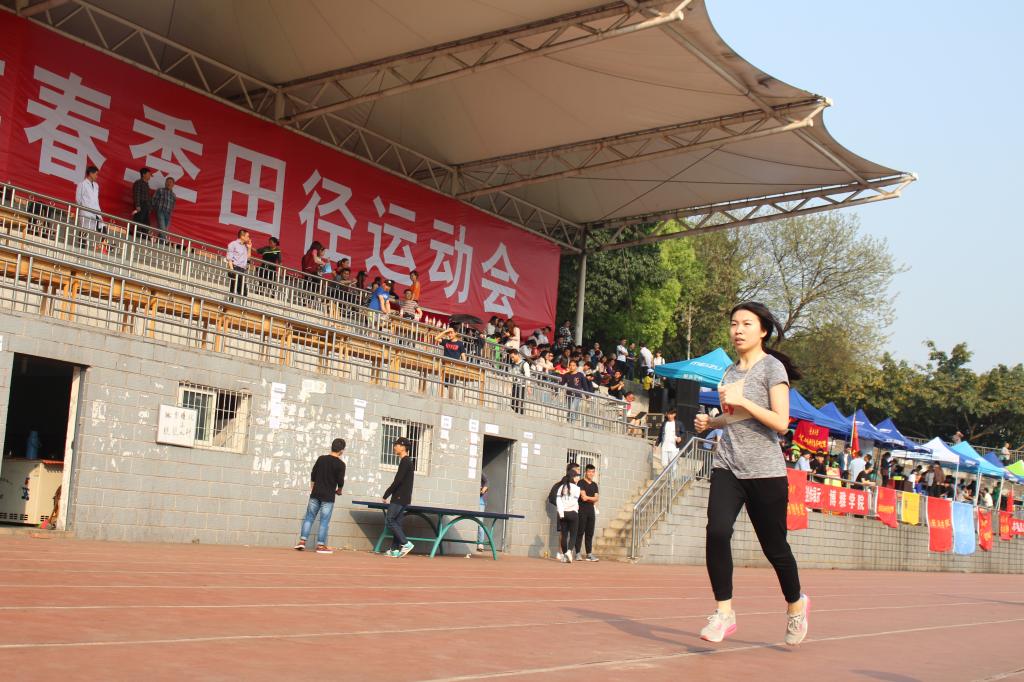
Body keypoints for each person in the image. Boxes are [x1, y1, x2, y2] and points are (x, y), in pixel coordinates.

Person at [694, 301, 808, 646]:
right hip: (728, 464)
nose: (738, 330)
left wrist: (744, 401)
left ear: (763, 331)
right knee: (717, 531)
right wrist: (711, 422)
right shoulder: (729, 373)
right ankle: (724, 612)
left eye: (746, 323)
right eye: (734, 323)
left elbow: (781, 423)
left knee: (775, 548)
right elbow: (735, 418)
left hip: (765, 471)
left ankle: (796, 604)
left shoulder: (772, 368)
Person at [294, 438, 347, 554]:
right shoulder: (341, 464)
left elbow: (313, 473)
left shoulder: (321, 459)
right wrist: (339, 490)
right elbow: (340, 481)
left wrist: (312, 486)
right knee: (324, 521)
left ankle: (302, 542)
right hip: (328, 497)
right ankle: (320, 546)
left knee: (309, 518)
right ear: (342, 450)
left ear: (332, 447)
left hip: (315, 493)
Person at [382, 437, 415, 558]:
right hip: (404, 497)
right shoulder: (407, 461)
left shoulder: (405, 461)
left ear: (403, 447)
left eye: (396, 445)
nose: (394, 447)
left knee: (390, 520)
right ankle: (394, 549)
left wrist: (386, 494)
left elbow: (398, 481)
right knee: (397, 523)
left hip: (399, 497)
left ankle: (406, 543)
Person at [574, 463, 600, 562]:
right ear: (586, 472)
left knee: (590, 533)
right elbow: (583, 498)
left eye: (593, 472)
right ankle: (577, 553)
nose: (591, 474)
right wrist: (592, 498)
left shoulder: (594, 485)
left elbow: (597, 498)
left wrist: (590, 498)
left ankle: (589, 554)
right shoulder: (581, 482)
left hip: (591, 511)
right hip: (582, 510)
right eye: (589, 472)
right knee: (580, 532)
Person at [555, 469, 581, 563]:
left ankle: (565, 554)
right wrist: (573, 508)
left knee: (564, 535)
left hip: (563, 513)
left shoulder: (561, 487)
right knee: (573, 534)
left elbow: (558, 501)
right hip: (573, 513)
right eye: (577, 476)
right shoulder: (577, 488)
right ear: (573, 477)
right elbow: (574, 501)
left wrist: (561, 512)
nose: (578, 478)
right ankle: (569, 551)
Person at [75, 165, 103, 233]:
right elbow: (78, 199)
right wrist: (84, 207)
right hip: (86, 212)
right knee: (84, 232)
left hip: (96, 211)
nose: (97, 176)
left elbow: (96, 199)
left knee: (103, 228)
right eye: (96, 174)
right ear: (90, 173)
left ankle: (104, 240)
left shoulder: (96, 185)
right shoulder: (82, 184)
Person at [225, 229, 251, 300]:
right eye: (247, 236)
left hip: (242, 269)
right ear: (242, 236)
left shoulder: (245, 246)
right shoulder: (233, 244)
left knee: (241, 289)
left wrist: (249, 248)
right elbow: (229, 258)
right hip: (235, 267)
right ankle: (231, 301)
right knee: (235, 286)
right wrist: (231, 269)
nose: (248, 238)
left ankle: (237, 302)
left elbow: (248, 258)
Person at [152, 177, 177, 242]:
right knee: (162, 228)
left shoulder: (173, 195)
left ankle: (160, 242)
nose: (168, 183)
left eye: (170, 182)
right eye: (167, 182)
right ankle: (164, 242)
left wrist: (170, 211)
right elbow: (154, 200)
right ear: (165, 183)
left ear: (173, 184)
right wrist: (156, 209)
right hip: (161, 211)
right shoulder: (160, 190)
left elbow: (173, 205)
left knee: (164, 229)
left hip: (168, 213)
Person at [131, 167, 153, 237]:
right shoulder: (138, 183)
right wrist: (137, 205)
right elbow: (136, 194)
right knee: (139, 220)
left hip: (146, 206)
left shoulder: (146, 184)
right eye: (148, 174)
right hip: (141, 204)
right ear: (143, 174)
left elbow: (148, 197)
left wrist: (149, 208)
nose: (150, 176)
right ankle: (135, 234)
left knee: (146, 222)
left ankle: (144, 236)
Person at [508, 348, 531, 415]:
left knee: (519, 404)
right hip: (515, 386)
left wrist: (528, 387)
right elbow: (510, 375)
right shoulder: (512, 364)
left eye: (513, 357)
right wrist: (509, 385)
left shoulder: (524, 364)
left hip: (521, 387)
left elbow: (527, 376)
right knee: (513, 404)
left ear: (517, 355)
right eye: (511, 357)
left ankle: (521, 416)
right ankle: (519, 415)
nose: (512, 359)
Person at [476, 472, 489, 552]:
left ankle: (480, 543)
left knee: (480, 523)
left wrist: (483, 490)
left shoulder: (480, 473)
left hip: (481, 502)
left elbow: (487, 481)